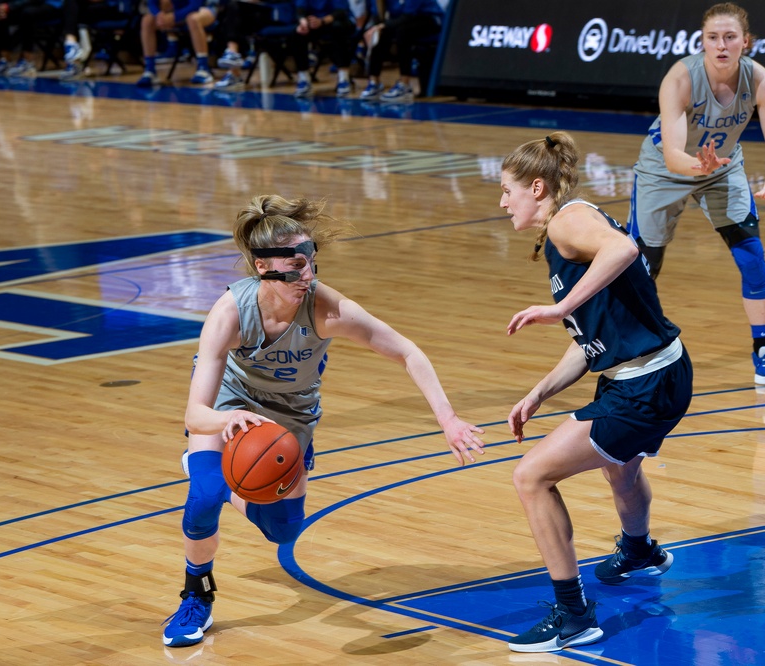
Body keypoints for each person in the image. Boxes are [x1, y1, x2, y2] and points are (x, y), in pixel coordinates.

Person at [161, 194, 485, 648]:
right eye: (294, 266)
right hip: (229, 405)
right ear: (263, 268)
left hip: (291, 416)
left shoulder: (327, 309)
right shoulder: (230, 313)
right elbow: (195, 413)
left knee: (284, 530)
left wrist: (448, 419)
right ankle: (196, 594)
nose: (307, 275)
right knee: (204, 496)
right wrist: (225, 418)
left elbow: (407, 352)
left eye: (311, 260)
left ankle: (222, 476)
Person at [499, 131, 692, 653]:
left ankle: (573, 616)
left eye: (507, 190)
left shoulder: (566, 221)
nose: (502, 201)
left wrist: (559, 309)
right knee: (619, 465)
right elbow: (591, 345)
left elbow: (625, 248)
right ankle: (639, 551)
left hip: (644, 385)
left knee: (531, 476)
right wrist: (539, 392)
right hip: (654, 374)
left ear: (536, 188)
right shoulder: (564, 234)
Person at [627, 1, 765, 387]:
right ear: (702, 42)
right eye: (713, 38)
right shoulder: (680, 79)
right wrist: (697, 165)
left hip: (722, 167)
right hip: (663, 171)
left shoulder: (760, 81)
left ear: (746, 42)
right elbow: (672, 155)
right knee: (641, 268)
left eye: (730, 37)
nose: (721, 45)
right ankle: (632, 349)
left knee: (751, 255)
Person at [358, 0, 442, 102]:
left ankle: (405, 84)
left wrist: (382, 26)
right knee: (380, 34)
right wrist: (376, 29)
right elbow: (382, 17)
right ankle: (374, 82)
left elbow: (408, 16)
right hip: (405, 22)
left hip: (431, 19)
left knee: (402, 32)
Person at [135, 0, 216, 86]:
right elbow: (152, 3)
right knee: (147, 21)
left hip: (203, 9)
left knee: (193, 19)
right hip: (175, 13)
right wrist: (159, 15)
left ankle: (203, 68)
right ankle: (150, 70)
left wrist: (175, 16)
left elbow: (195, 5)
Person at [291, 0, 359, 97]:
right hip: (315, 22)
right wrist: (303, 22)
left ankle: (344, 77)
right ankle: (304, 78)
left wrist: (322, 21)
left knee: (338, 29)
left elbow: (340, 12)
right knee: (297, 33)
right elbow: (300, 8)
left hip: (339, 20)